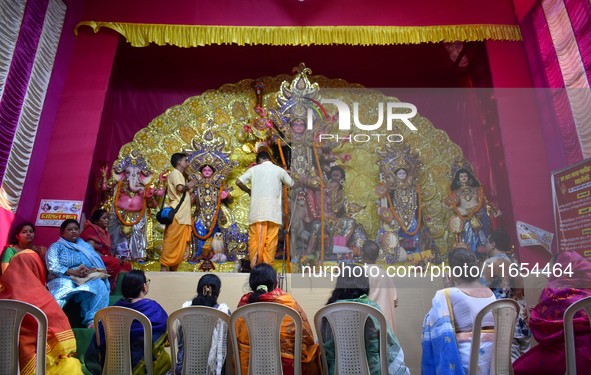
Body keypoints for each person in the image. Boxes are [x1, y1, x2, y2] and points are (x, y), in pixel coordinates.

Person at [0, 250, 84, 374]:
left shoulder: (3, 297)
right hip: (38, 365)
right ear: (37, 269)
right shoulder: (43, 299)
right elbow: (58, 327)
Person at [322, 264, 410, 375]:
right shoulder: (372, 310)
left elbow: (324, 345)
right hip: (373, 371)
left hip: (337, 372)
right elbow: (389, 346)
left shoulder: (327, 312)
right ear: (365, 284)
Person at [513, 251, 591, 374]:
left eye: (550, 269)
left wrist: (534, 316)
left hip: (569, 354)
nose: (549, 274)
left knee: (515, 369)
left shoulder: (555, 293)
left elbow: (542, 332)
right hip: (587, 353)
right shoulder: (587, 291)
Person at [422, 247, 497, 374]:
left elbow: (432, 323)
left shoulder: (447, 294)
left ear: (453, 271)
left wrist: (447, 289)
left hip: (466, 360)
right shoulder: (490, 292)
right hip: (493, 358)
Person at [235, 263, 321, 374]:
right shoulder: (288, 302)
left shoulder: (243, 304)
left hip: (249, 365)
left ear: (251, 285)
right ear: (276, 283)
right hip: (284, 367)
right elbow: (306, 337)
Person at [86, 270, 171, 375]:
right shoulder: (153, 309)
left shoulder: (112, 310)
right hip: (145, 369)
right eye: (148, 281)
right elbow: (170, 338)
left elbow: (100, 338)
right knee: (166, 359)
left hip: (114, 366)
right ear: (144, 287)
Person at [46, 219, 110, 328]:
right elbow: (53, 266)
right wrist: (73, 272)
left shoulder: (85, 246)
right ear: (62, 233)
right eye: (70, 229)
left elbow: (94, 263)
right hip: (62, 277)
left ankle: (92, 320)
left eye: (76, 229)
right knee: (65, 288)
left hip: (82, 278)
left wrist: (88, 270)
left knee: (99, 284)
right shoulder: (56, 247)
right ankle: (51, 323)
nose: (74, 231)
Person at [480, 230, 531, 361]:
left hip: (506, 324)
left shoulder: (491, 263)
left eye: (487, 242)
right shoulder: (515, 264)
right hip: (522, 322)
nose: (485, 245)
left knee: (510, 367)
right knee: (525, 365)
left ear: (493, 244)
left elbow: (480, 291)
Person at [236, 151, 293, 266]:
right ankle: (266, 268)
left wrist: (248, 191)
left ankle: (256, 267)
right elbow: (291, 183)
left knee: (255, 240)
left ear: (259, 160)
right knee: (271, 241)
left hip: (256, 213)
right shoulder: (279, 170)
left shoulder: (254, 169)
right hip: (273, 213)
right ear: (269, 159)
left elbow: (238, 182)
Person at [174, 274, 230, 375]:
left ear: (198, 290)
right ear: (218, 292)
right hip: (213, 371)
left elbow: (179, 340)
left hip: (185, 370)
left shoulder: (185, 311)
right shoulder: (223, 313)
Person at [80, 209, 132, 292]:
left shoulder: (105, 232)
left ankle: (120, 290)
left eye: (108, 218)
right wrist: (110, 258)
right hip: (93, 258)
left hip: (102, 257)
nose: (107, 220)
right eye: (104, 218)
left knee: (127, 266)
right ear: (96, 220)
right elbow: (90, 251)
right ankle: (107, 288)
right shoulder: (91, 230)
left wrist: (112, 257)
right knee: (114, 263)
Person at [161, 153, 196, 271]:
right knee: (171, 240)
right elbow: (180, 188)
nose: (187, 163)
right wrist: (190, 185)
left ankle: (173, 267)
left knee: (179, 243)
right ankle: (163, 267)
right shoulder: (175, 173)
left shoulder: (179, 174)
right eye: (186, 161)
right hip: (177, 213)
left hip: (182, 215)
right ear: (179, 162)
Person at [361, 240, 398, 333]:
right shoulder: (387, 277)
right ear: (378, 256)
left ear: (362, 255)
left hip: (368, 335)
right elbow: (395, 302)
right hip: (386, 332)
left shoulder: (358, 275)